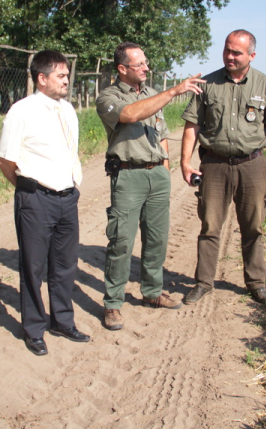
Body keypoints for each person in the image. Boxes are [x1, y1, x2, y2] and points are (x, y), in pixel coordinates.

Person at [96, 42, 205, 331]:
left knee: (157, 238)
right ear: (122, 69)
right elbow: (131, 115)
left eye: (146, 62)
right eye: (139, 64)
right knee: (121, 241)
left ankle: (153, 292)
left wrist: (166, 166)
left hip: (156, 173)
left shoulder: (150, 93)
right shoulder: (108, 97)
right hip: (129, 176)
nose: (146, 68)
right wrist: (173, 91)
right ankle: (113, 304)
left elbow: (162, 131)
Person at [180, 29, 266, 306]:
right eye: (227, 50)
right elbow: (192, 125)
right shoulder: (208, 84)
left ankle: (256, 284)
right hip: (214, 165)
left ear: (251, 55)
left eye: (236, 52)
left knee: (253, 227)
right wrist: (185, 161)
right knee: (210, 226)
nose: (230, 56)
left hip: (252, 165)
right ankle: (204, 282)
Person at [0, 50, 90, 356]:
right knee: (33, 267)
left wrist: (73, 184)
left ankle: (62, 321)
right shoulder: (22, 111)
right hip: (36, 198)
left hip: (66, 198)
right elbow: (5, 159)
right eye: (61, 75)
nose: (67, 80)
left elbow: (70, 150)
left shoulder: (68, 109)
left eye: (67, 75)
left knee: (64, 266)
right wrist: (28, 189)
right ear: (42, 78)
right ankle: (34, 328)